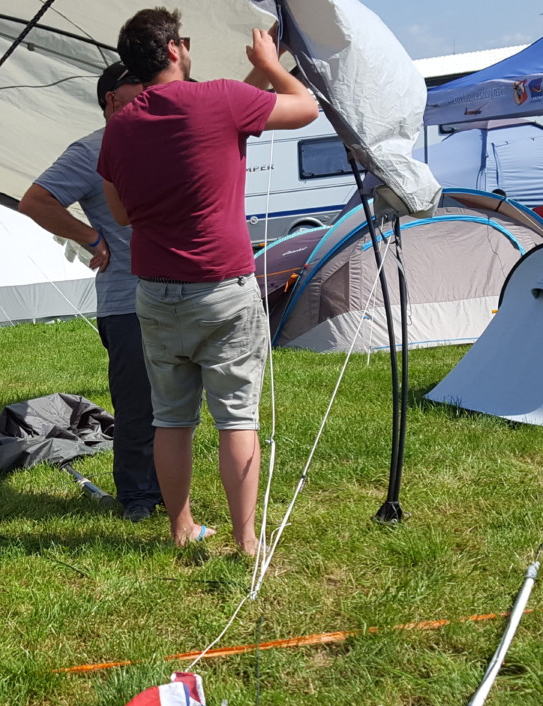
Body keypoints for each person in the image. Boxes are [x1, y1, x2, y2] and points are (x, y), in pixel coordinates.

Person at [98, 8, 319, 557]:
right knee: (236, 417)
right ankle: (246, 540)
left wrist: (260, 71)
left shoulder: (121, 125)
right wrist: (271, 64)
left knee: (171, 420)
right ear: (174, 49)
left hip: (155, 293)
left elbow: (120, 214)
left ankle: (181, 528)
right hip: (222, 288)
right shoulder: (219, 98)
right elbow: (305, 108)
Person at [18, 64, 157, 522]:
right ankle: (137, 498)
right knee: (138, 407)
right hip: (127, 303)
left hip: (173, 297)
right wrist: (89, 236)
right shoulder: (91, 150)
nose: (150, 93)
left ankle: (167, 492)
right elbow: (35, 201)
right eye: (139, 87)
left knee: (174, 406)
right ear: (111, 99)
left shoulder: (162, 139)